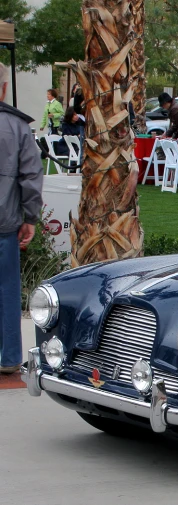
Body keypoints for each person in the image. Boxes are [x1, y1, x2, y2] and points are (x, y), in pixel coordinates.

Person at [0, 63, 43, 374]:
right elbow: (30, 174)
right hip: (5, 221)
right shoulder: (17, 126)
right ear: (3, 88)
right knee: (7, 291)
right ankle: (9, 357)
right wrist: (30, 216)